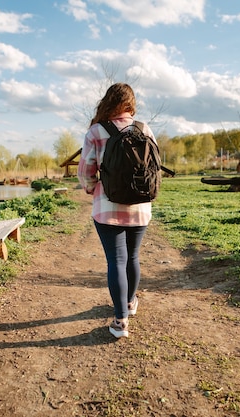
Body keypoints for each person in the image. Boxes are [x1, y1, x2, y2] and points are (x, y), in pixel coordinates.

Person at [77, 83, 156, 339]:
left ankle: (120, 321)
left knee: (116, 260)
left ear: (108, 102)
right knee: (132, 257)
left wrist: (92, 189)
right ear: (130, 105)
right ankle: (130, 304)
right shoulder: (144, 129)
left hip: (107, 206)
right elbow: (154, 165)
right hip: (140, 205)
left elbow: (86, 171)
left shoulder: (97, 131)